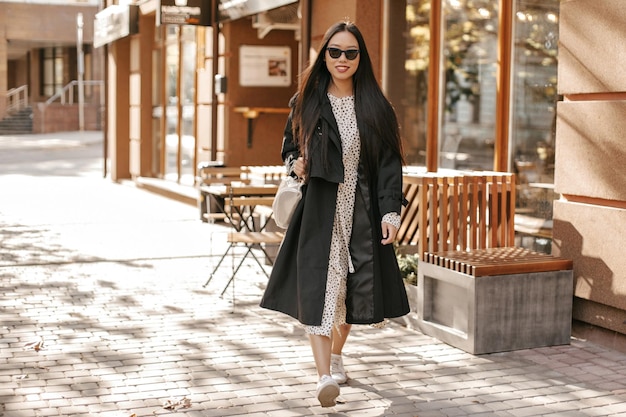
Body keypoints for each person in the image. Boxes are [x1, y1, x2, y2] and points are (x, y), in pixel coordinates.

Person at [260, 20, 409, 408]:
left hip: (361, 213)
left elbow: (390, 163)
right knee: (321, 293)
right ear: (324, 54)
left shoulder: (376, 106)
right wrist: (297, 164)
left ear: (361, 58)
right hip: (320, 214)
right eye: (335, 51)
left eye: (351, 53)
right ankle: (324, 377)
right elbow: (289, 148)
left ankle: (337, 356)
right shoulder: (306, 102)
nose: (342, 59)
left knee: (351, 297)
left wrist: (391, 211)